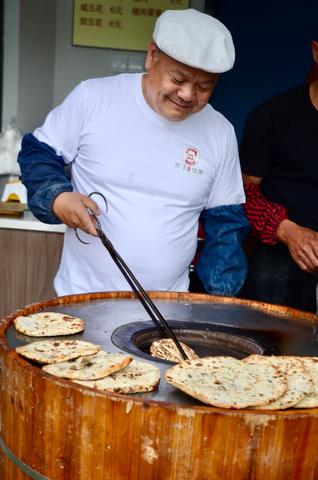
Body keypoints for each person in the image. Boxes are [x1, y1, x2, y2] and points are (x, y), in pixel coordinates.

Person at [18, 9, 249, 297]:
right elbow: (38, 151)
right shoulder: (93, 98)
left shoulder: (219, 132)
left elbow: (225, 227)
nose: (188, 94)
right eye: (178, 79)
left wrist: (217, 304)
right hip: (82, 299)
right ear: (152, 55)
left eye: (204, 86)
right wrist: (57, 196)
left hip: (168, 306)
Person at [239, 39, 318, 312]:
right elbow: (242, 193)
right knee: (271, 347)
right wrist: (287, 230)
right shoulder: (272, 116)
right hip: (279, 257)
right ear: (316, 51)